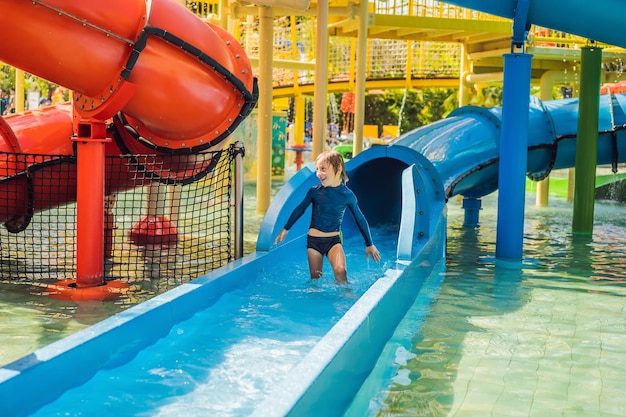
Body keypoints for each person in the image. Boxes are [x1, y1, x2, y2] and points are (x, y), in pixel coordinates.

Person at [274, 150, 380, 284]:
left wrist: (369, 244)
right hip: (314, 241)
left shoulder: (347, 195)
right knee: (316, 279)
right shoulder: (315, 192)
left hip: (333, 241)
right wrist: (286, 229)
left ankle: (346, 298)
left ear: (338, 168)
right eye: (317, 169)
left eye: (323, 169)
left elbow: (360, 218)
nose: (318, 173)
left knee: (341, 271)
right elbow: (300, 209)